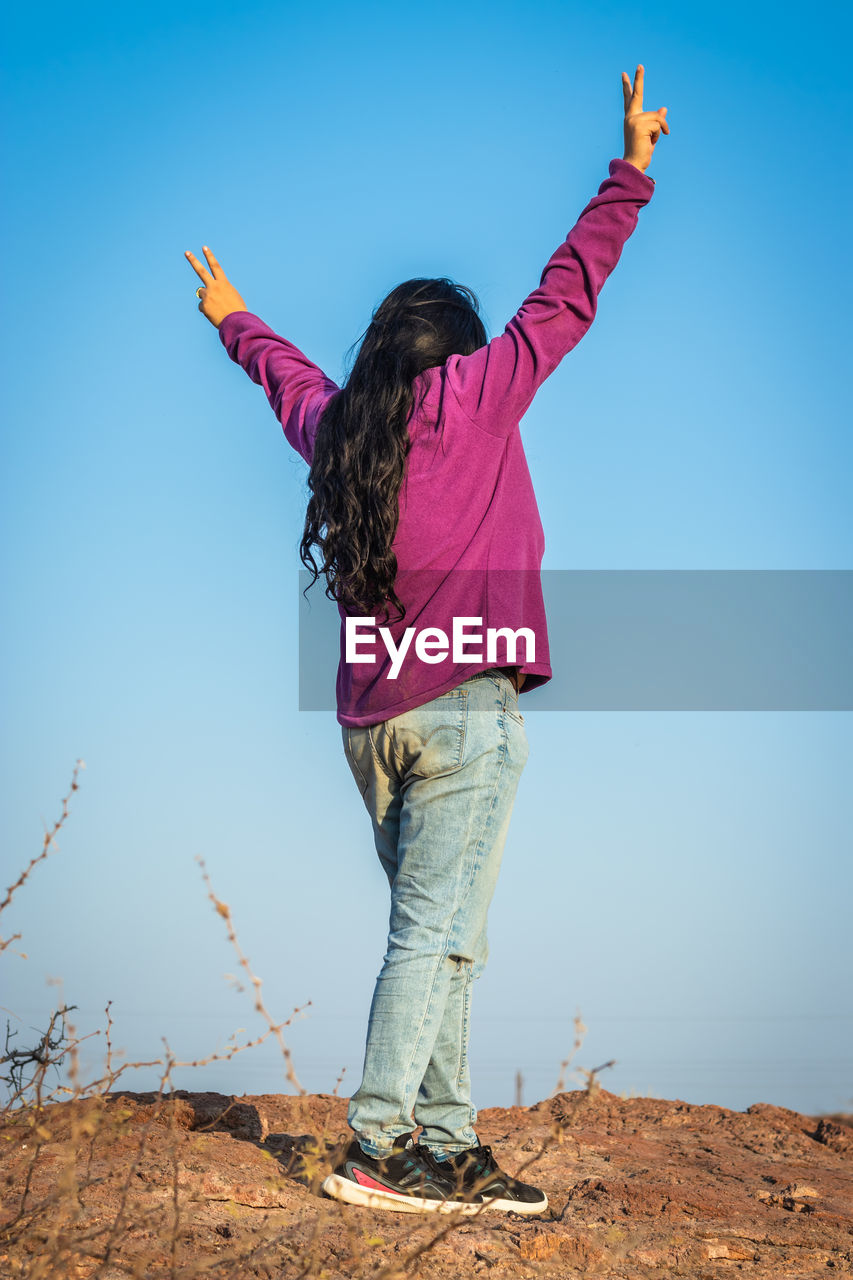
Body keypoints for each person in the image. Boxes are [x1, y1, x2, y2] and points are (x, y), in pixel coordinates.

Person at [186, 64, 669, 1215]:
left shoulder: (342, 433)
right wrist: (632, 172)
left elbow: (288, 380)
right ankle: (378, 1142)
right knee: (433, 938)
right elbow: (566, 293)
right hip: (462, 712)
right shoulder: (478, 395)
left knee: (445, 934)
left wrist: (232, 318)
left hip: (371, 727)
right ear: (450, 353)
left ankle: (446, 1144)